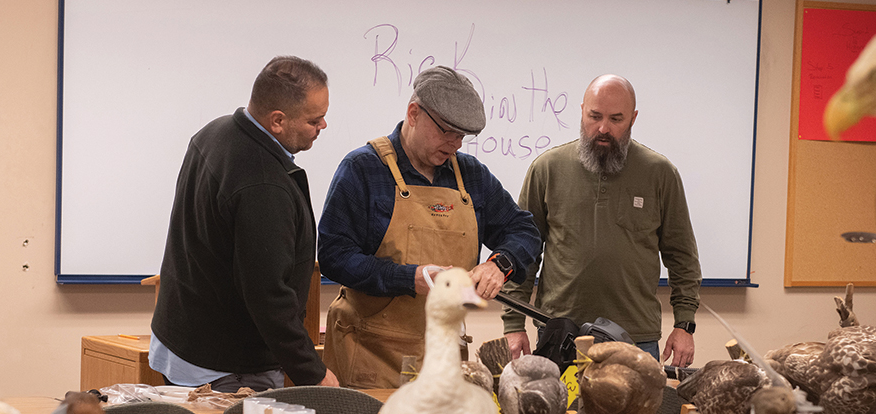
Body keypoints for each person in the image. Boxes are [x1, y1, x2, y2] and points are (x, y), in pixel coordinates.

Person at [318, 66, 542, 389]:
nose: (454, 145)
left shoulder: (471, 177)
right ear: (413, 113)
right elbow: (334, 256)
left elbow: (524, 230)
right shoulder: (363, 170)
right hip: (368, 357)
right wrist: (411, 277)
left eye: (462, 136)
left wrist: (500, 265)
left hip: (441, 361)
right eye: (446, 132)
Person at [150, 56, 337, 392]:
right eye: (315, 120)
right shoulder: (263, 184)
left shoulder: (215, 132)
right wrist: (314, 373)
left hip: (180, 342)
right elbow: (268, 295)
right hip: (224, 367)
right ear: (277, 121)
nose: (323, 126)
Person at [502, 74, 702, 366]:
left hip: (635, 337)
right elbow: (524, 250)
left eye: (616, 119)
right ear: (582, 110)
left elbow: (682, 256)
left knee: (634, 413)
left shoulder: (660, 174)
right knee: (561, 412)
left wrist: (685, 324)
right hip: (559, 332)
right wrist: (514, 323)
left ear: (633, 118)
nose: (603, 128)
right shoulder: (547, 169)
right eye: (594, 116)